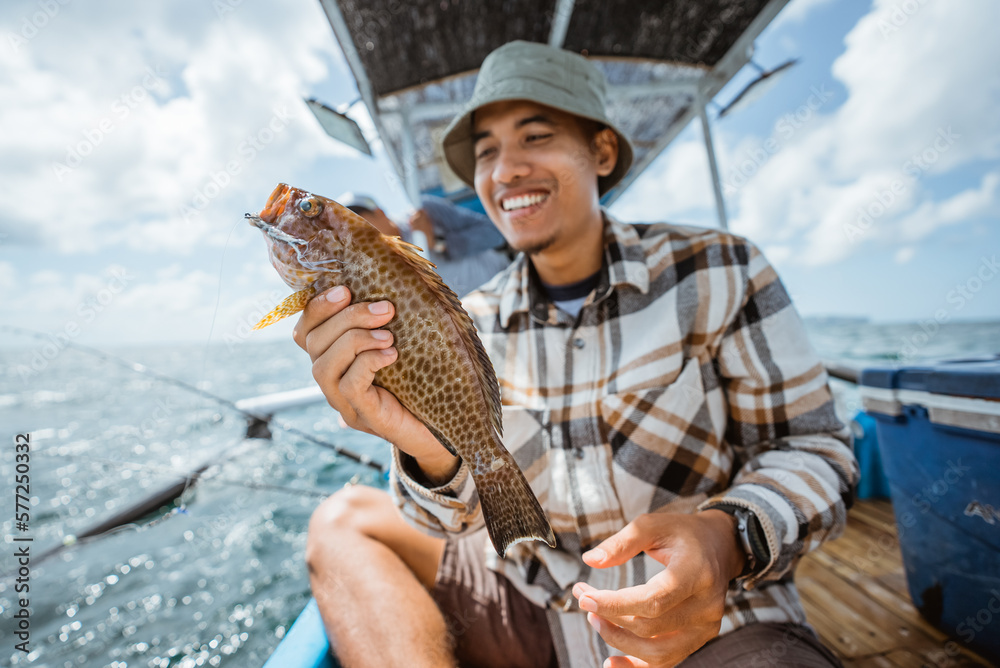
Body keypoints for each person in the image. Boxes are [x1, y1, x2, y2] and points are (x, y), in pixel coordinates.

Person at [300, 40, 858, 668]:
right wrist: (424, 449)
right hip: (535, 602)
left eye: (535, 137)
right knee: (341, 520)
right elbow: (452, 521)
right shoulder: (469, 319)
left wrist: (726, 537)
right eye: (486, 153)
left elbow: (816, 447)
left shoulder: (721, 269)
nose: (504, 170)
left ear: (602, 151)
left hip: (718, 617)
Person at [340, 192, 512, 298]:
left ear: (379, 212)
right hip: (484, 325)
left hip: (511, 283)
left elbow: (495, 233)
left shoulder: (426, 211)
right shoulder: (379, 273)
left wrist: (439, 244)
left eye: (362, 226)